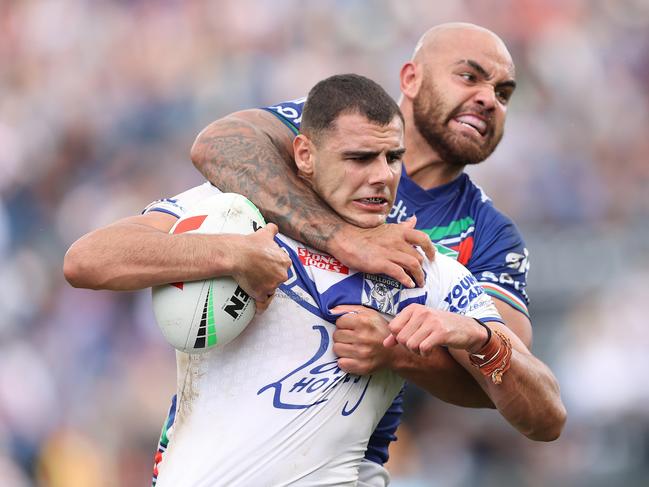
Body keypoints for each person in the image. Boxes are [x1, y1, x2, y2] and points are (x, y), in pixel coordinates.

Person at [64, 74, 564, 486]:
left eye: (392, 158)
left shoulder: (419, 267)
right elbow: (87, 260)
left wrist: (476, 337)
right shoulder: (234, 215)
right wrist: (231, 255)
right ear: (304, 155)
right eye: (358, 158)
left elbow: (545, 416)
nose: (382, 176)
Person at [189, 21, 562, 477]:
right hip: (215, 432)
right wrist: (345, 239)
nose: (489, 99)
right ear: (411, 78)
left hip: (339, 461)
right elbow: (217, 145)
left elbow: (499, 381)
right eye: (469, 77)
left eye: (503, 94)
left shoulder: (489, 235)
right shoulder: (337, 129)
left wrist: (396, 351)